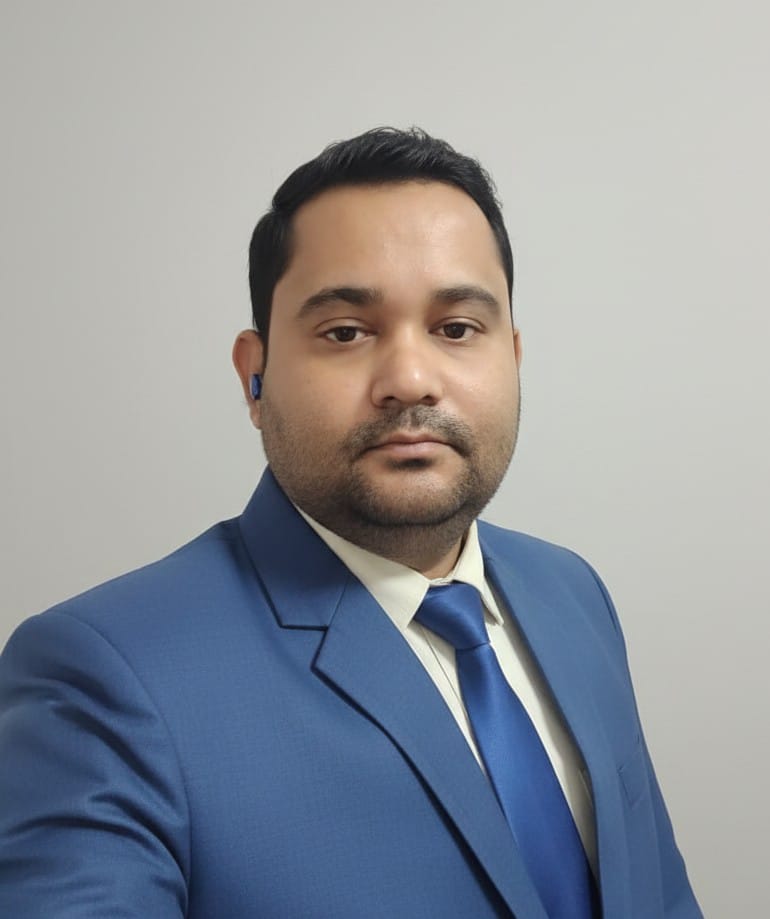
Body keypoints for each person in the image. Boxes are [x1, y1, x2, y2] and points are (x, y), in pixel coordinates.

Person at [0, 128, 702, 918]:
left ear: (512, 356)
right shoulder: (101, 678)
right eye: (345, 332)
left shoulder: (572, 593)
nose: (410, 378)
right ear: (255, 376)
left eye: (456, 328)